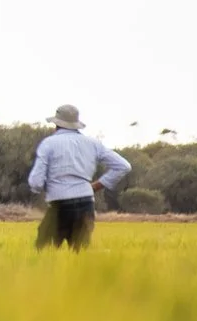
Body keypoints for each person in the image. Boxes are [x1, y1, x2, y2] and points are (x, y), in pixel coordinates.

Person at [28, 104, 129, 251]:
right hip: (86, 203)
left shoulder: (48, 144)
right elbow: (123, 166)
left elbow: (35, 182)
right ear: (76, 124)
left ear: (56, 124)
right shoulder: (93, 143)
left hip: (59, 205)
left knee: (42, 252)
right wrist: (96, 186)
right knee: (80, 255)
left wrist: (46, 187)